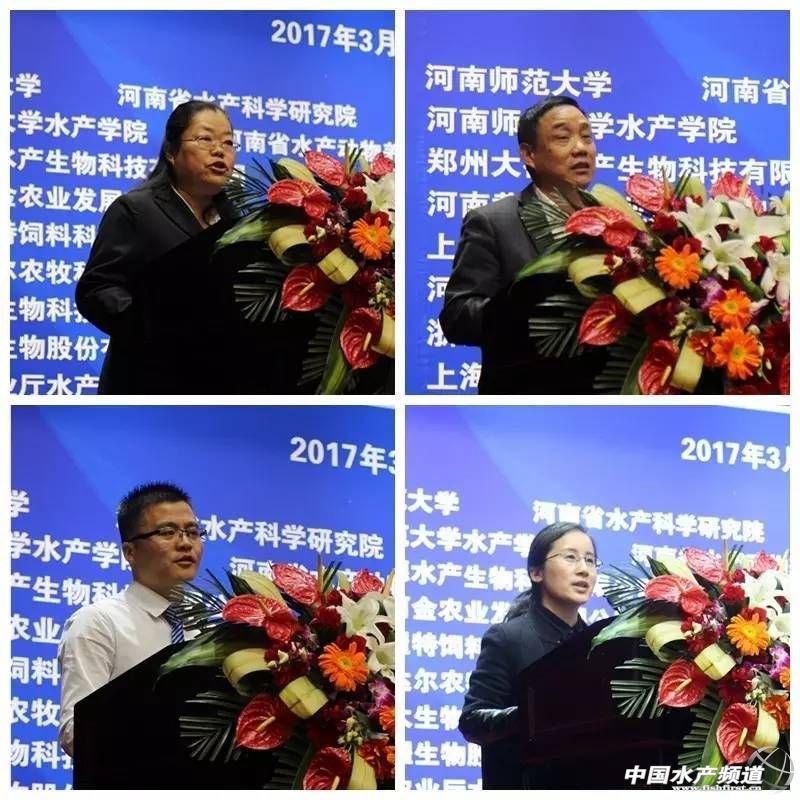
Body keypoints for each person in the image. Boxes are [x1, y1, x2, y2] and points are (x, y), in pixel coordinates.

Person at [440, 96, 608, 394]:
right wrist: (521, 306)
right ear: (529, 154)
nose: (581, 148)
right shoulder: (493, 222)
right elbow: (457, 317)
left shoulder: (616, 223)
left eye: (586, 136)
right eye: (563, 137)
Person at [75, 100, 240, 393]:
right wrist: (154, 328)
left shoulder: (238, 222)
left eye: (228, 142)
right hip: (147, 380)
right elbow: (96, 289)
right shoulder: (136, 210)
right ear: (171, 152)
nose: (219, 150)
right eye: (205, 139)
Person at [58, 482, 205, 756]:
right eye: (167, 532)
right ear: (130, 552)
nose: (185, 543)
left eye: (193, 532)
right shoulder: (99, 623)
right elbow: (75, 732)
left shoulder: (209, 628)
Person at [459, 523, 598, 789]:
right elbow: (472, 721)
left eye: (590, 560)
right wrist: (534, 715)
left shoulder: (600, 643)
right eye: (571, 557)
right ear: (536, 572)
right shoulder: (507, 638)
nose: (584, 569)